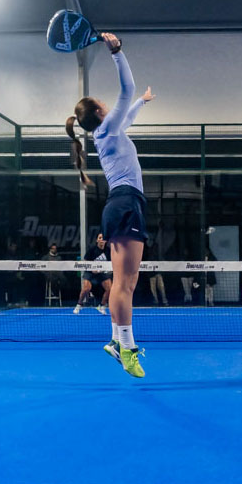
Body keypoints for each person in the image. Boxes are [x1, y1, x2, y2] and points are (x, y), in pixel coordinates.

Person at [66, 32, 154, 378]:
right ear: (100, 112)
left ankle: (117, 341)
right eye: (103, 102)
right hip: (126, 203)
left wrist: (142, 102)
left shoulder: (107, 133)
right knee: (124, 284)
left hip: (120, 204)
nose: (108, 103)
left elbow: (127, 114)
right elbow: (126, 90)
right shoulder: (107, 131)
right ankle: (127, 347)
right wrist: (117, 52)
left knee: (123, 282)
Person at [74, 233, 112, 314]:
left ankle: (102, 306)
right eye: (100, 238)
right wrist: (92, 269)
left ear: (106, 241)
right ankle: (79, 304)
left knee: (109, 288)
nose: (101, 240)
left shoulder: (108, 250)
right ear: (97, 240)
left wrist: (107, 270)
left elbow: (111, 263)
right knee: (86, 289)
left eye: (103, 238)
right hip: (90, 272)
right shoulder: (92, 250)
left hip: (101, 272)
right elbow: (85, 262)